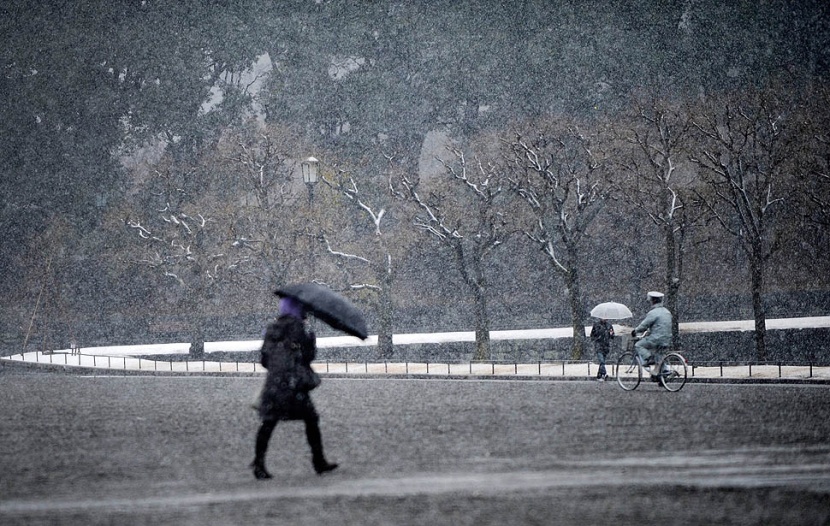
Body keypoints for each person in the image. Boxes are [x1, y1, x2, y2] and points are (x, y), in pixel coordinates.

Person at [251, 296, 338, 479]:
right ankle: (319, 461)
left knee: (268, 423)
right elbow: (308, 357)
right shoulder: (299, 328)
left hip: (275, 383)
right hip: (294, 384)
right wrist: (310, 340)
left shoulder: (272, 328)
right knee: (311, 420)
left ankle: (259, 463)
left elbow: (264, 360)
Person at [631, 291, 673, 378]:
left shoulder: (653, 313)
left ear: (652, 301)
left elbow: (644, 325)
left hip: (656, 338)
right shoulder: (667, 312)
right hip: (667, 338)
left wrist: (635, 331)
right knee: (660, 355)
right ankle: (662, 376)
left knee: (639, 345)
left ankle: (649, 358)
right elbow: (662, 325)